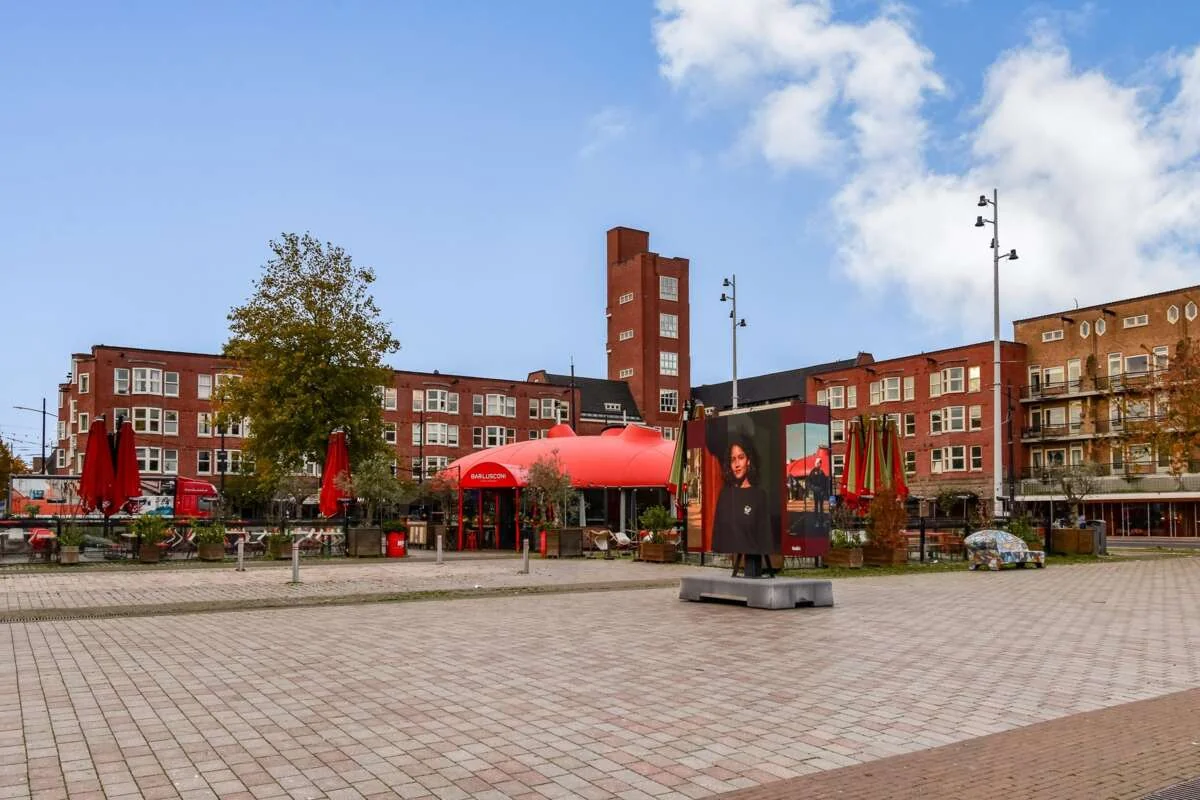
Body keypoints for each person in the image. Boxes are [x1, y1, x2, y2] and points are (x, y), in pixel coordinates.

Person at [712, 436, 776, 576]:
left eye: (741, 458)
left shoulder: (759, 496)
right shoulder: (725, 495)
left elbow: (764, 538)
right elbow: (719, 536)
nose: (736, 464)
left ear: (749, 460)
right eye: (733, 459)